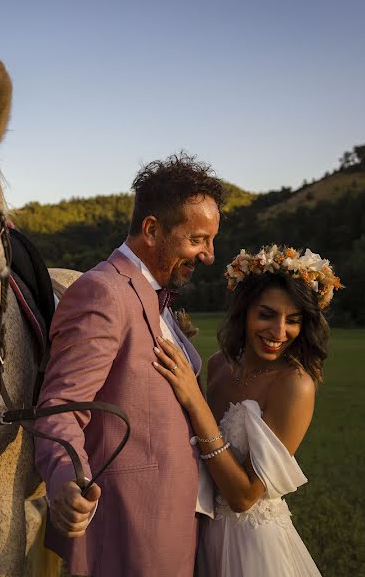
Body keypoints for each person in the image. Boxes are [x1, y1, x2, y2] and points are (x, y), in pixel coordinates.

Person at [34, 152, 226, 576]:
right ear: (153, 230)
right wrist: (67, 479)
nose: (209, 255)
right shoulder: (103, 292)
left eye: (211, 241)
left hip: (177, 517)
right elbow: (61, 408)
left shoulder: (153, 292)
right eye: (197, 240)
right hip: (132, 523)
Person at [153, 245, 343, 576]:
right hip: (203, 531)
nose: (279, 332)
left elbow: (243, 497)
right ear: (244, 312)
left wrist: (195, 402)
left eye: (293, 320)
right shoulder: (218, 365)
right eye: (267, 314)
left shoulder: (294, 384)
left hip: (253, 544)